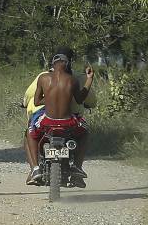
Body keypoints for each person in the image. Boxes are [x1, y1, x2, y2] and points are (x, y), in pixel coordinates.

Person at [23, 53, 95, 185]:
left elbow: (37, 101)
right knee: (85, 132)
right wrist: (89, 79)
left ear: (52, 66)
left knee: (30, 133)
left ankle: (35, 169)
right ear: (67, 65)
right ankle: (77, 167)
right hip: (68, 123)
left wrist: (50, 99)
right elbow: (80, 99)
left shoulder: (43, 78)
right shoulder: (72, 80)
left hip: (47, 122)